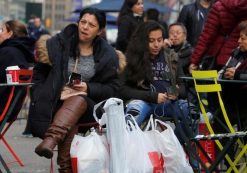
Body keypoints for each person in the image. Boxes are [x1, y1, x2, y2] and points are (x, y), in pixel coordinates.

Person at [31, 7, 120, 172]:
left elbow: (113, 88)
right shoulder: (58, 44)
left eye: (91, 25)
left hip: (88, 106)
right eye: (83, 22)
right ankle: (65, 168)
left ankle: (50, 140)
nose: (85, 27)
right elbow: (39, 73)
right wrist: (38, 93)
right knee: (69, 121)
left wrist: (88, 87)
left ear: (99, 31)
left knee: (77, 101)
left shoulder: (107, 54)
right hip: (56, 102)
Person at [119, 21, 193, 144]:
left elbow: (183, 87)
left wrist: (176, 92)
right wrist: (152, 96)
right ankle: (127, 153)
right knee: (132, 116)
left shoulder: (171, 56)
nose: (156, 45)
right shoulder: (133, 57)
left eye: (159, 40)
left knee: (193, 113)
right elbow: (122, 90)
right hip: (144, 102)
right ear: (143, 41)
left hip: (169, 104)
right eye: (151, 41)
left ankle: (175, 146)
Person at [189, 0, 247, 72]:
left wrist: (194, 61)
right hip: (241, 60)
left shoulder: (219, 6)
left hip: (221, 57)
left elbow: (206, 37)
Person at [0, 20, 35, 121]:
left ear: (10, 33)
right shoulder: (20, 52)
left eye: (2, 30)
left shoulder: (7, 52)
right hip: (12, 109)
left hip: (3, 107)